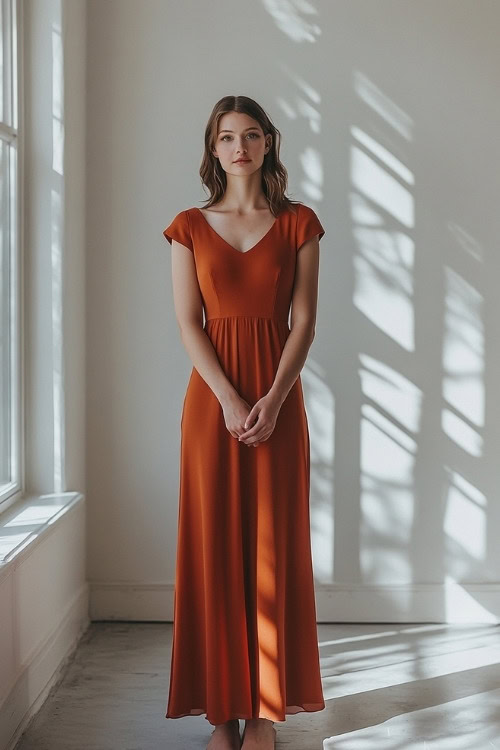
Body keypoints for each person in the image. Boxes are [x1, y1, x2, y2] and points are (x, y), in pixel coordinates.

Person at [162, 95, 326, 750]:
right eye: (226, 137)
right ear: (212, 148)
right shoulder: (187, 225)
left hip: (279, 401)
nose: (239, 147)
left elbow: (305, 321)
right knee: (213, 548)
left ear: (267, 144)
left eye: (251, 135)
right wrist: (230, 400)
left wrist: (275, 398)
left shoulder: (300, 224)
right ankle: (221, 713)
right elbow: (187, 323)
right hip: (212, 404)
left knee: (270, 550)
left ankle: (262, 711)